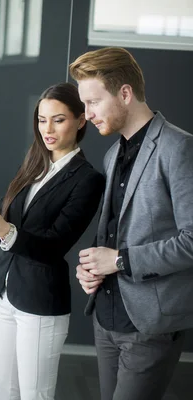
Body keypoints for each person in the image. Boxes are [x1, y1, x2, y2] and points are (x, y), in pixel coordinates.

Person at [0, 82, 104, 400]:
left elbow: (54, 246)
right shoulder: (34, 165)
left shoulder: (88, 180)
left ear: (81, 121)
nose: (48, 129)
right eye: (42, 120)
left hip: (40, 304)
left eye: (58, 119)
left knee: (34, 395)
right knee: (0, 391)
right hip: (5, 297)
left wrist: (5, 231)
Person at [71, 47, 193, 400]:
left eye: (93, 102)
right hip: (105, 319)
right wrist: (93, 268)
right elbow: (114, 233)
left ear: (124, 93)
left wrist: (120, 260)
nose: (87, 115)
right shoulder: (112, 154)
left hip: (150, 325)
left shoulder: (179, 148)